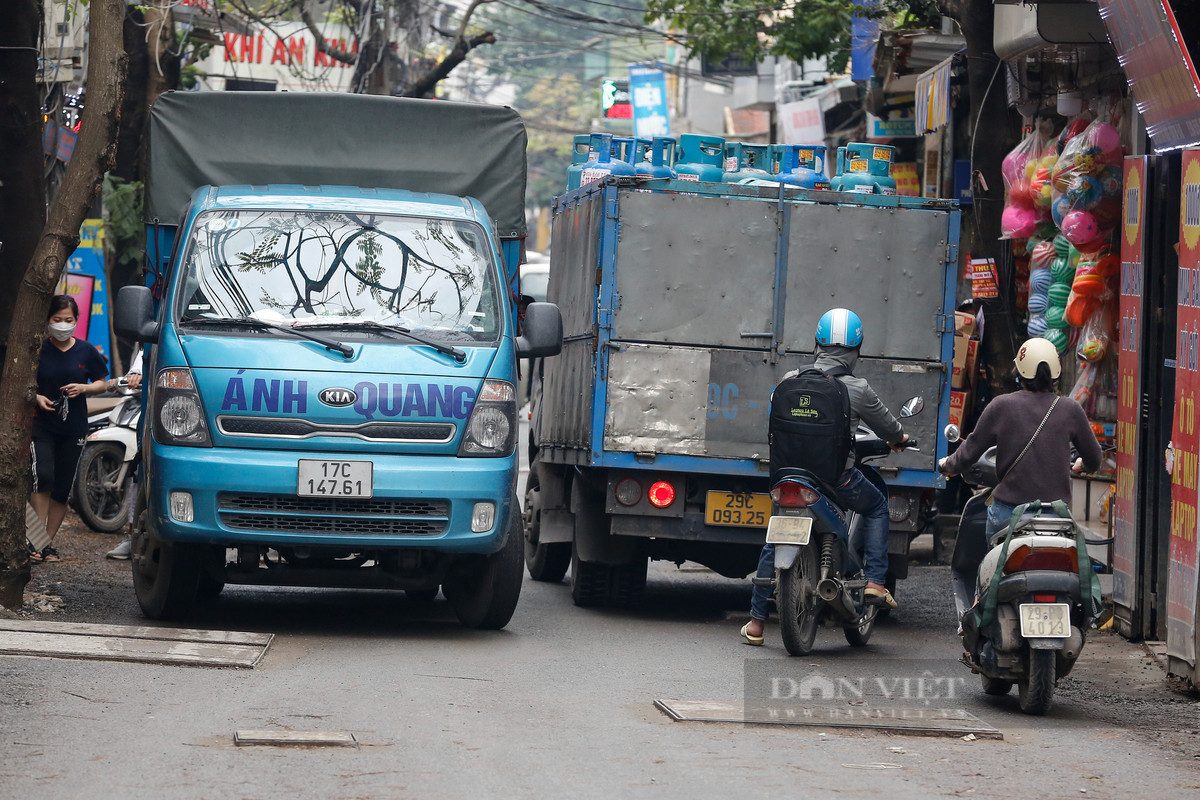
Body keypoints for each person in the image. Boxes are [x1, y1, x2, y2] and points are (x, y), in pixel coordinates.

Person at [741, 308, 909, 645]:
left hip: (788, 478)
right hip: (836, 480)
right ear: (857, 348)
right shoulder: (857, 389)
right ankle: (875, 581)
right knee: (876, 506)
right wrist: (899, 439)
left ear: (817, 342)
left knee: (775, 540)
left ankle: (757, 622)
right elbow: (889, 428)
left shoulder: (789, 380)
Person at [938, 337, 1102, 617]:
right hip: (1056, 517)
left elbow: (970, 450)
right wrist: (1079, 467)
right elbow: (1094, 459)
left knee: (988, 566)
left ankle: (980, 612)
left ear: (1020, 371)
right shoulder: (1070, 409)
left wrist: (948, 465)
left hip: (1008, 515)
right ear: (1055, 372)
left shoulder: (1001, 406)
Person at [29, 295, 110, 563]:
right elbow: (24, 383)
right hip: (42, 424)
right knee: (43, 477)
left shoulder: (86, 351)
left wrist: (84, 388)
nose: (63, 325)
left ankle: (47, 544)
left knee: (62, 488)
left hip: (74, 427)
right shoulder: (36, 349)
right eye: (57, 320)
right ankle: (36, 542)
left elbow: (103, 382)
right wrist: (36, 397)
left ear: (76, 321)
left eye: (69, 320)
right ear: (48, 320)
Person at [104, 347, 142, 561]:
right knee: (137, 472)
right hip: (150, 416)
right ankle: (133, 536)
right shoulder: (149, 344)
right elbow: (136, 371)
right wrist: (129, 378)